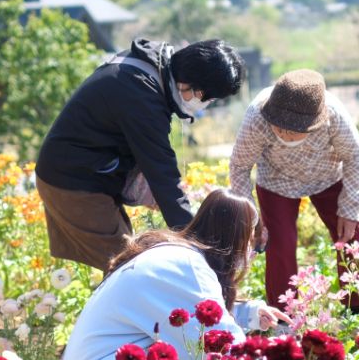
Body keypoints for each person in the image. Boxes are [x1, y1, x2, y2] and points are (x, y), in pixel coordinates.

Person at [60, 189, 292, 360]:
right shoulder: (187, 268)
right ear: (238, 241)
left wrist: (250, 312)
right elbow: (229, 355)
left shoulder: (174, 256)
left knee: (190, 347)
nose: (252, 255)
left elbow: (188, 312)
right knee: (198, 356)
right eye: (255, 246)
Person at [35, 39, 245, 272]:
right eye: (207, 98)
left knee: (126, 263)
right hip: (73, 182)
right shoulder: (141, 95)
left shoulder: (150, 69)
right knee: (126, 268)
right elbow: (161, 173)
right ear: (190, 86)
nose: (205, 105)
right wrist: (197, 244)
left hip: (87, 173)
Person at [229, 69, 359, 311]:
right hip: (277, 180)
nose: (284, 133)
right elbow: (240, 166)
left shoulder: (334, 115)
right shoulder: (257, 117)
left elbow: (355, 157)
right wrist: (251, 218)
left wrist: (349, 209)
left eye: (292, 129)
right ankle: (283, 315)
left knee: (351, 235)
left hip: (329, 175)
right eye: (279, 126)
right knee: (279, 244)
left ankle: (358, 307)